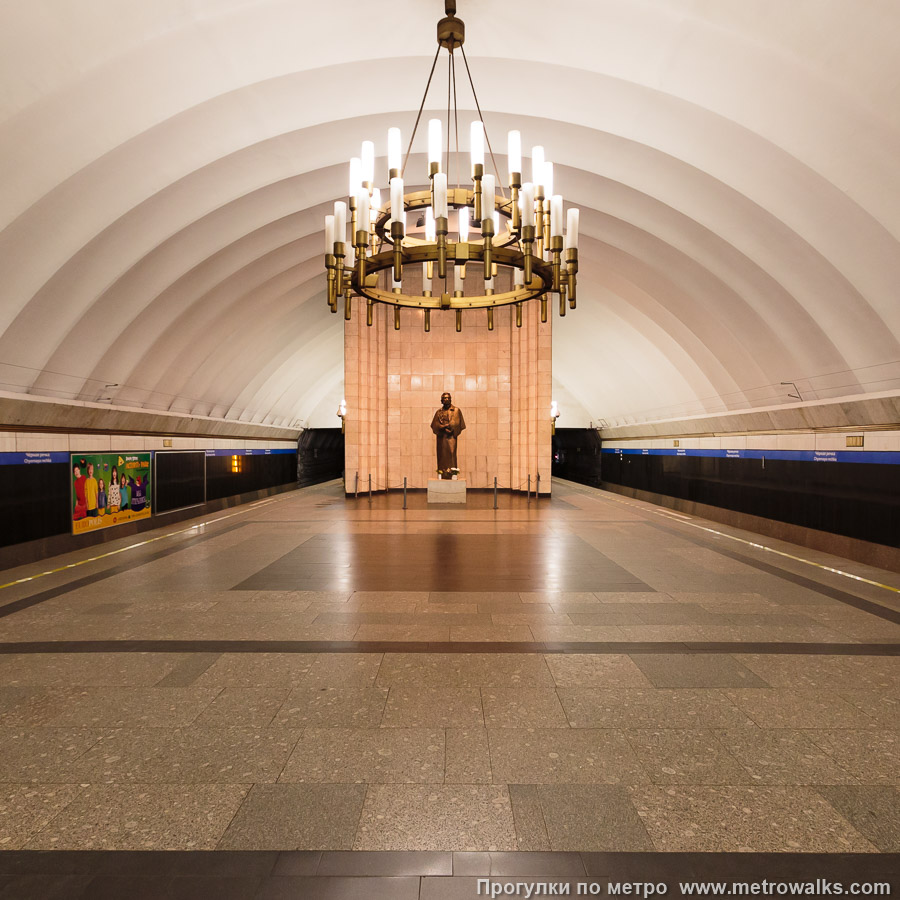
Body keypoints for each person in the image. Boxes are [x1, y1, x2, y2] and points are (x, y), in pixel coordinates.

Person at [430, 391, 466, 479]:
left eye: (448, 398)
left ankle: (452, 474)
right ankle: (442, 474)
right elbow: (434, 425)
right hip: (441, 437)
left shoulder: (456, 410)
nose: (447, 399)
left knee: (452, 454)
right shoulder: (439, 412)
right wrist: (442, 427)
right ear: (441, 400)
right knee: (441, 456)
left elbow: (460, 424)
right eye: (445, 398)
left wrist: (452, 428)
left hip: (451, 437)